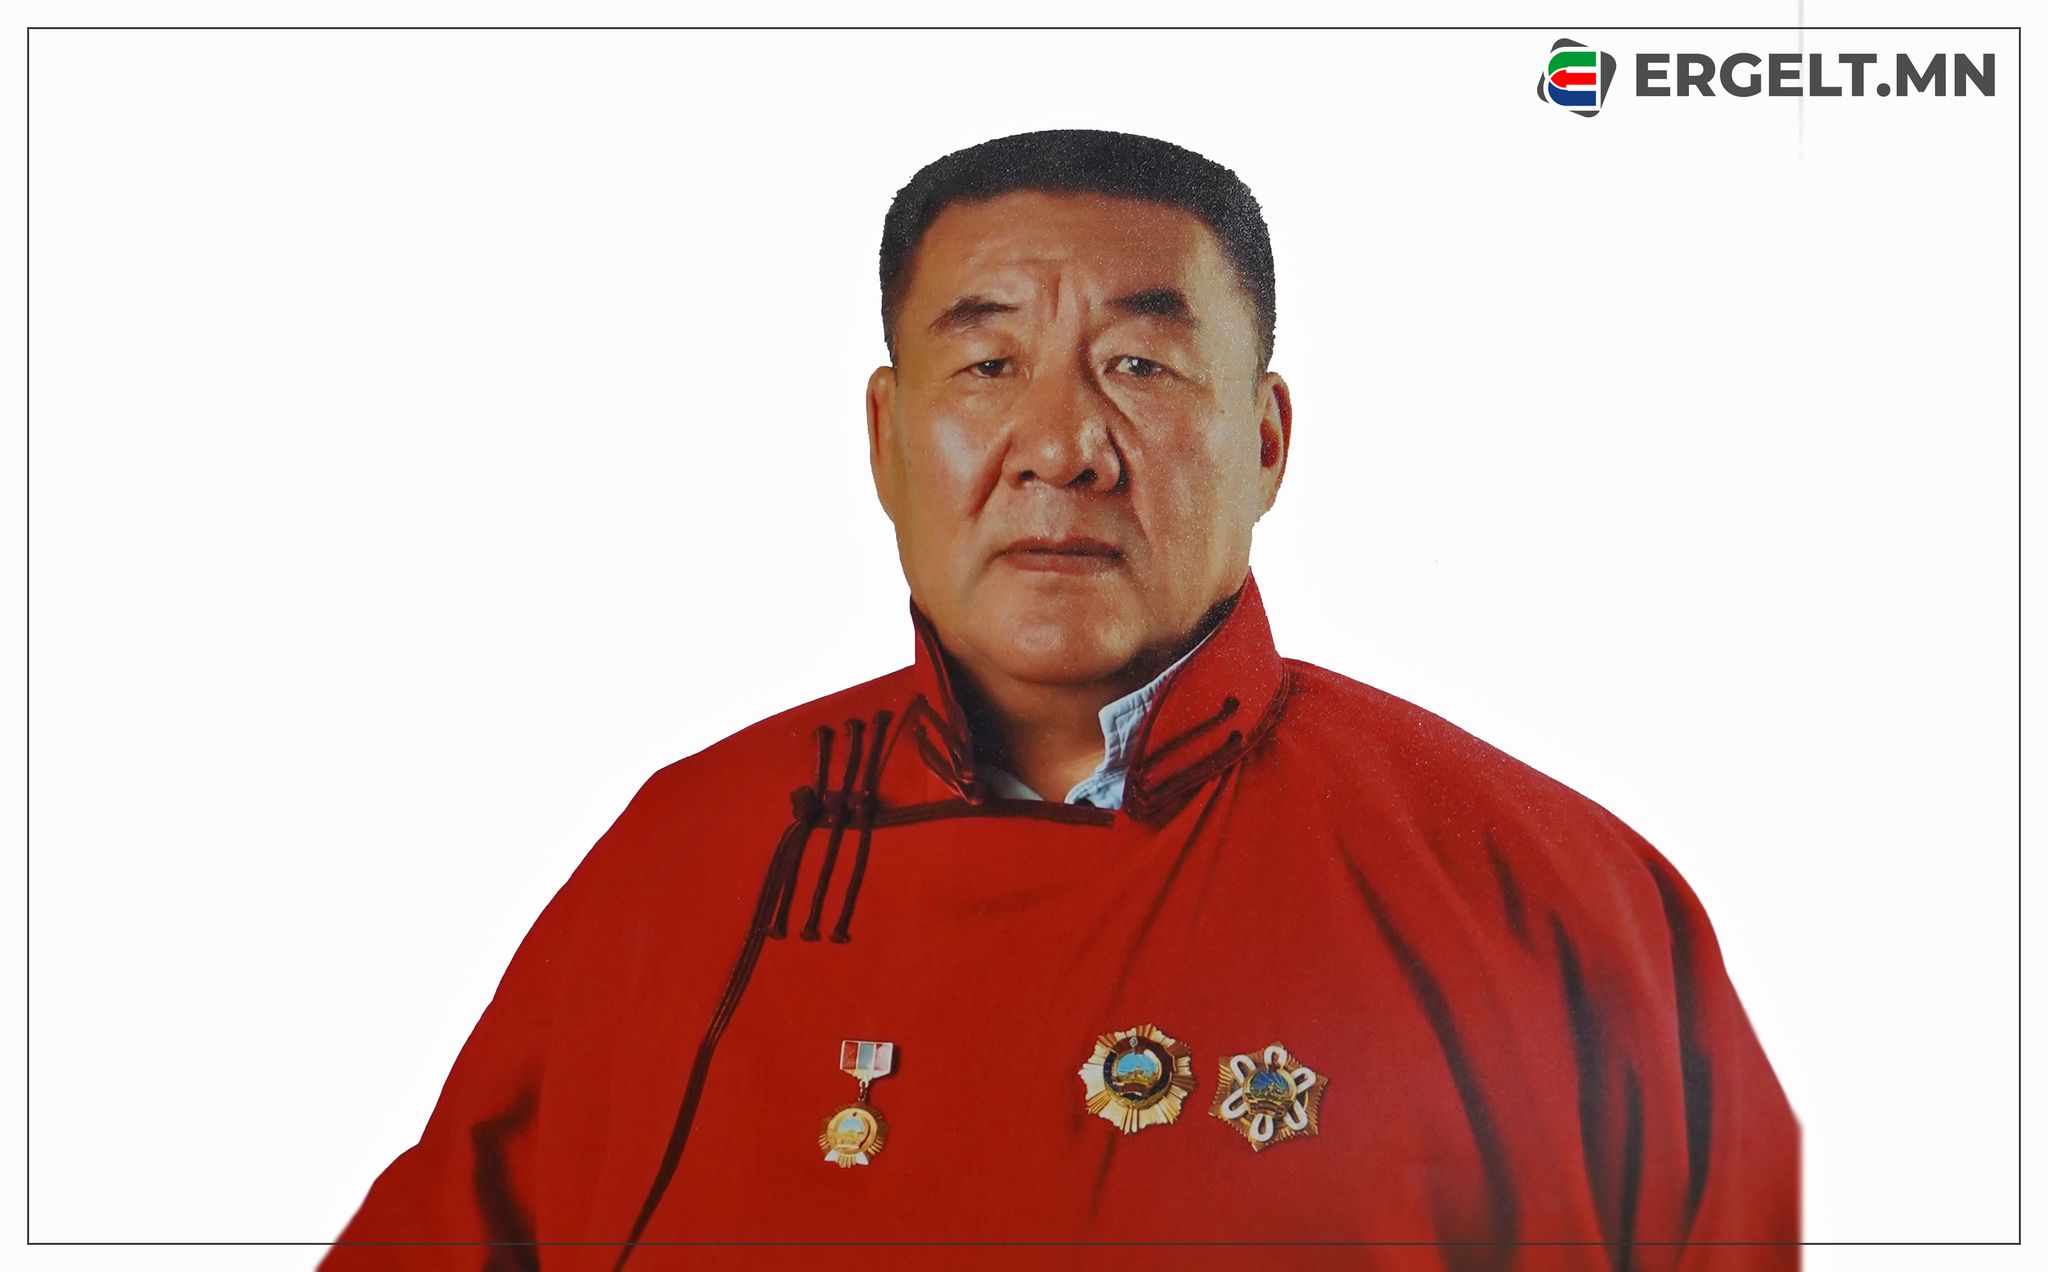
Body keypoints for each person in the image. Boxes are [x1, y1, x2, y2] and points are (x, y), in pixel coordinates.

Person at [325, 129, 1799, 1270]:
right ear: (887, 437)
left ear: (1267, 440)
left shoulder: (1555, 904)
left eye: (1140, 364)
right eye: (988, 363)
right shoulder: (692, 859)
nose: (1061, 444)